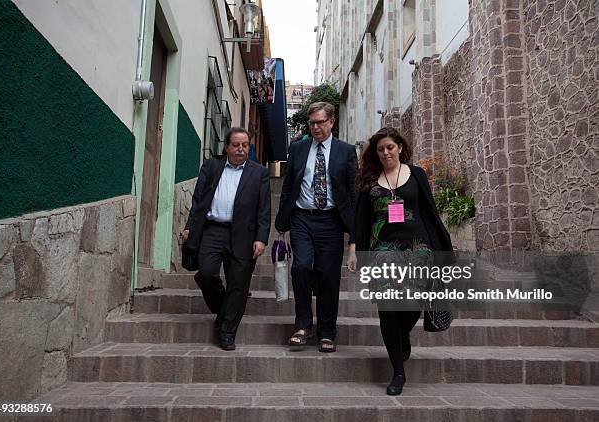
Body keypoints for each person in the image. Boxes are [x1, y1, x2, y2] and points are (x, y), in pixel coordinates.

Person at [353, 127, 453, 395]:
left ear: (399, 147)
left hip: (418, 249)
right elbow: (361, 221)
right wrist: (356, 251)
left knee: (412, 306)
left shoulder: (416, 174)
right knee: (388, 309)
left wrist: (440, 250)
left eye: (390, 147)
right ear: (375, 152)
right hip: (382, 251)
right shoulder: (369, 180)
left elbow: (429, 212)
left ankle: (403, 337)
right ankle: (398, 371)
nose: (386, 152)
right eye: (380, 149)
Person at [275, 102, 358, 353]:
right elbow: (289, 185)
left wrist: (354, 233)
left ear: (331, 122)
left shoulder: (346, 152)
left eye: (321, 122)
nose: (316, 127)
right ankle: (302, 325)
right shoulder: (298, 149)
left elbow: (353, 193)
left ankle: (327, 331)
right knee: (301, 267)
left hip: (331, 221)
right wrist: (282, 221)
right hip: (302, 218)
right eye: (312, 123)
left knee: (328, 276)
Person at [182, 127, 270, 351]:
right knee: (207, 274)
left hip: (244, 234)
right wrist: (190, 226)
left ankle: (227, 332)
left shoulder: (259, 172)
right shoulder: (212, 166)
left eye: (245, 145)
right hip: (212, 231)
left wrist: (261, 238)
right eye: (236, 145)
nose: (241, 149)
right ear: (227, 147)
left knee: (238, 285)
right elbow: (198, 199)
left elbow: (264, 209)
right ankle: (224, 311)